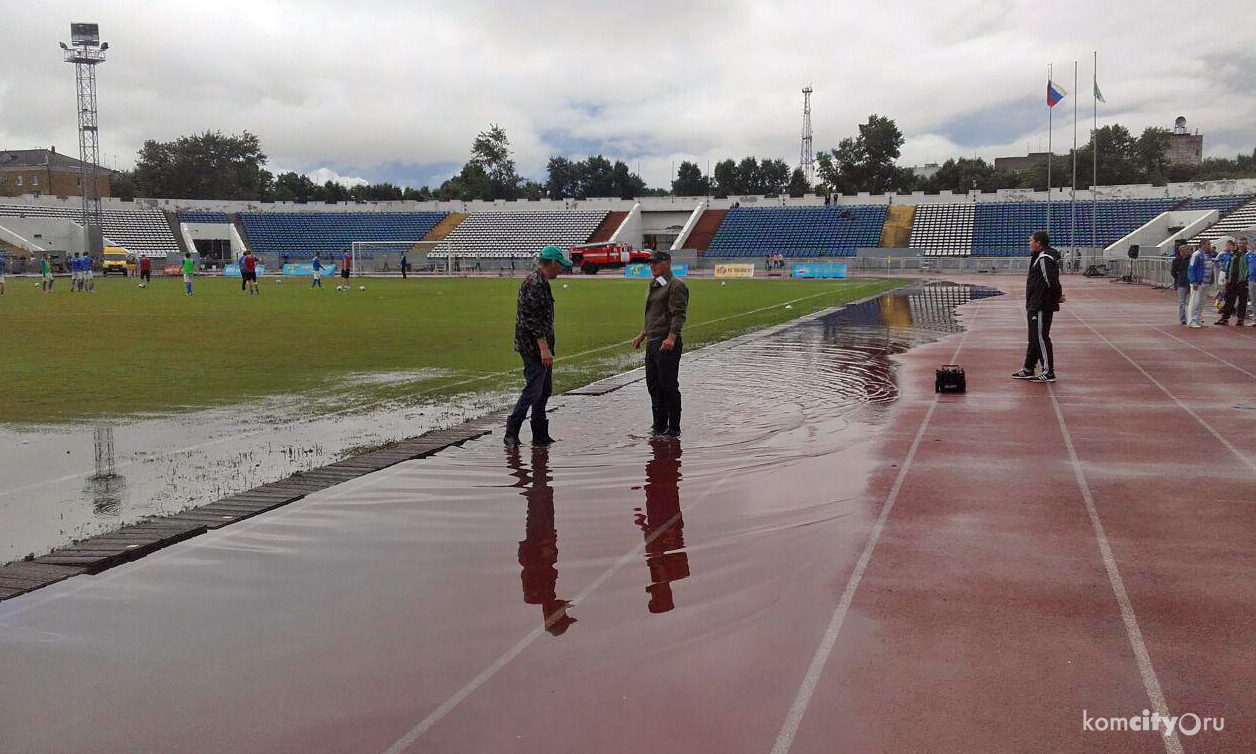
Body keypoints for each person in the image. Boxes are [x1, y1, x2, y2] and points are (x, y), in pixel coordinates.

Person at [504, 244, 572, 448]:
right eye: (560, 265)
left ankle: (540, 434)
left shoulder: (542, 282)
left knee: (544, 390)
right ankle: (511, 433)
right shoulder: (534, 283)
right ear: (551, 263)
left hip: (541, 345)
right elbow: (530, 320)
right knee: (533, 389)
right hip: (532, 347)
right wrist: (543, 347)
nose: (561, 270)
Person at [631, 250, 690, 436]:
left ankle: (673, 427)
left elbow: (678, 314)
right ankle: (658, 424)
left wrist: (671, 337)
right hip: (653, 341)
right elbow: (653, 315)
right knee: (653, 385)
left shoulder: (676, 285)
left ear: (667, 262)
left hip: (666, 343)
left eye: (655, 262)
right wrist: (642, 335)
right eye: (650, 263)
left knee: (668, 385)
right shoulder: (655, 284)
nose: (652, 266)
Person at [1012, 230, 1063, 383]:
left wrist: (1057, 296)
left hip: (1041, 304)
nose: (1030, 243)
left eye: (1031, 240)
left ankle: (1048, 372)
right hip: (1035, 303)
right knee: (1034, 337)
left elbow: (1051, 280)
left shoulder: (1044, 258)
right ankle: (1028, 368)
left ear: (1039, 243)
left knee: (1041, 337)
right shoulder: (1038, 257)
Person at [1216, 237, 1249, 325]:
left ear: (1246, 244)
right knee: (1229, 300)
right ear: (1237, 244)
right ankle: (1224, 318)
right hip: (1232, 281)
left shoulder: (1248, 255)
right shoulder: (1234, 254)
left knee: (1242, 301)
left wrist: (1247, 279)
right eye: (1240, 243)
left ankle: (1240, 319)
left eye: (1243, 243)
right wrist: (1227, 278)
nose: (1241, 245)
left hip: (1243, 281)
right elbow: (1229, 266)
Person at [1186, 241, 1211, 328]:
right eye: (1208, 244)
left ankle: (1198, 319)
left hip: (1206, 282)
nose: (1209, 246)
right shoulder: (1196, 254)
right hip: (1198, 282)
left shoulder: (1208, 255)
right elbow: (1191, 268)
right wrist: (1193, 281)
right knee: (1195, 302)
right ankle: (1191, 320)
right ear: (1202, 245)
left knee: (1201, 302)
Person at [1171, 243, 1191, 325]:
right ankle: (1183, 319)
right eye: (1185, 250)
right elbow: (1173, 272)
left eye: (1187, 250)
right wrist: (1178, 278)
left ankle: (1192, 317)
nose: (1187, 251)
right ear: (1180, 251)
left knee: (1192, 302)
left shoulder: (1191, 259)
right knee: (1182, 302)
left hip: (1191, 283)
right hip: (1181, 283)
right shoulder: (1176, 260)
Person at [1214, 240, 1233, 310]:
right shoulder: (1221, 254)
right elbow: (1216, 261)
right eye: (1228, 245)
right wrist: (1220, 267)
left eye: (1230, 246)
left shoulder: (1232, 254)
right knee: (1222, 288)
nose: (1229, 247)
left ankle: (1226, 303)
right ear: (1226, 245)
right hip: (1222, 273)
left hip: (1230, 273)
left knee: (1228, 288)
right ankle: (1218, 300)